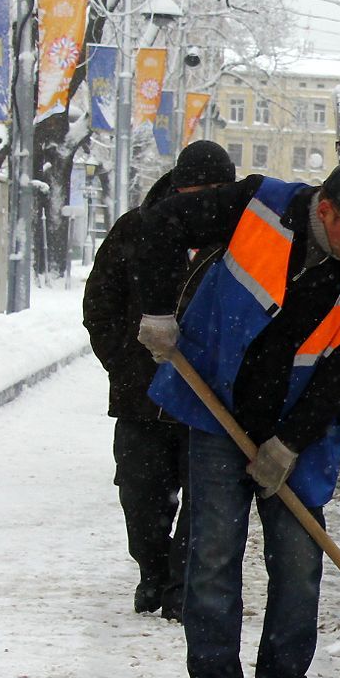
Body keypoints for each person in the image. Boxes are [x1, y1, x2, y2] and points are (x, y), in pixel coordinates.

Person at [135, 160, 340, 678]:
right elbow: (158, 225)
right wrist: (157, 308)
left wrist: (287, 444)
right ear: (325, 209)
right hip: (218, 409)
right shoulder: (256, 204)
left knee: (300, 568)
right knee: (212, 557)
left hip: (295, 435)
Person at [83, 140, 237, 621]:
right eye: (199, 188)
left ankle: (180, 584)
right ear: (179, 185)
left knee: (204, 502)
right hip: (141, 399)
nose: (206, 200)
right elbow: (100, 305)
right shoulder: (136, 230)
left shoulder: (239, 241)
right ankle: (152, 570)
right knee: (141, 495)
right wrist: (127, 364)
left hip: (210, 401)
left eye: (218, 190)